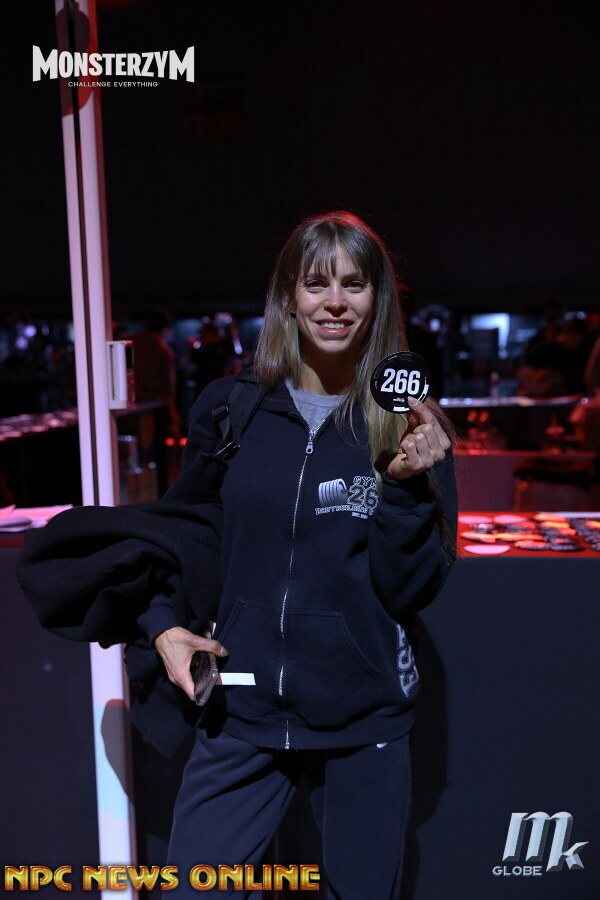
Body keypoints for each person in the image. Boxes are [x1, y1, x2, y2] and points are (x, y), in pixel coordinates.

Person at [136, 210, 457, 898]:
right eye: (316, 283)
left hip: (362, 717)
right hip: (242, 709)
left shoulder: (409, 425)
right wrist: (164, 627)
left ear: (377, 300)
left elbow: (411, 589)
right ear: (288, 296)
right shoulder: (232, 409)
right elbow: (185, 537)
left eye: (354, 284)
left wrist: (405, 490)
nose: (335, 302)